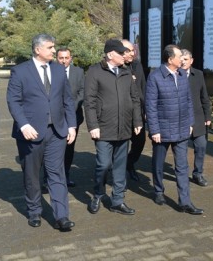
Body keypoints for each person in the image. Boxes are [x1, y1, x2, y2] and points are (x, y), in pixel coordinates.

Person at [7, 34, 77, 231]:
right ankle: (34, 211)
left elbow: (67, 100)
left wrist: (71, 126)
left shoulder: (59, 70)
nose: (54, 51)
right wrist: (23, 124)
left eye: (53, 47)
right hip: (30, 133)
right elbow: (13, 101)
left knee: (57, 173)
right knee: (31, 174)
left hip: (57, 132)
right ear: (37, 50)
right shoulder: (20, 71)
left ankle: (61, 216)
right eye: (50, 47)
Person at [85, 39, 142, 216]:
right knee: (103, 164)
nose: (126, 55)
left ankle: (118, 200)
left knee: (120, 166)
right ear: (111, 55)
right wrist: (93, 125)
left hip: (124, 127)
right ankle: (98, 194)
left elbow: (134, 98)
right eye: (122, 53)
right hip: (103, 128)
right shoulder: (94, 72)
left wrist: (137, 121)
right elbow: (89, 102)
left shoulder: (126, 72)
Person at [146, 44, 203, 215]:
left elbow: (188, 101)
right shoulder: (155, 77)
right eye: (179, 56)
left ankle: (185, 202)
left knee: (182, 166)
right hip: (162, 130)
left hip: (182, 128)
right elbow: (151, 106)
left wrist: (191, 122)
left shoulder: (182, 75)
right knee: (158, 163)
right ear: (171, 59)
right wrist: (154, 130)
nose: (183, 59)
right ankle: (158, 191)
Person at [180, 49, 212, 187]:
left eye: (186, 59)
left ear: (191, 61)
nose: (183, 62)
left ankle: (198, 174)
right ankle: (182, 174)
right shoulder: (175, 75)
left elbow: (204, 97)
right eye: (181, 59)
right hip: (181, 119)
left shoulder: (198, 74)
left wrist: (208, 115)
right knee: (181, 149)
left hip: (198, 118)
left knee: (201, 146)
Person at [57, 47, 86, 187]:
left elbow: (82, 92)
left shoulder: (79, 72)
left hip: (73, 117)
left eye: (66, 58)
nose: (63, 61)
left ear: (71, 58)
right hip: (55, 117)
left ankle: (66, 175)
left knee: (69, 147)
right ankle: (48, 178)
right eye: (61, 58)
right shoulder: (50, 71)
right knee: (53, 148)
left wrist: (70, 109)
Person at [123, 38, 147, 182]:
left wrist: (145, 111)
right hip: (121, 113)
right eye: (129, 51)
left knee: (140, 142)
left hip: (137, 113)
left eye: (133, 50)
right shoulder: (116, 67)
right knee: (120, 145)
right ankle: (118, 172)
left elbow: (142, 88)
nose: (133, 53)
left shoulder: (137, 65)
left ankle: (129, 163)